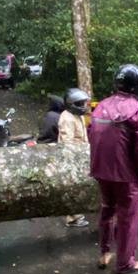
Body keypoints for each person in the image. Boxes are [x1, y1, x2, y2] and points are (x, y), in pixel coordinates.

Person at [90, 65, 138, 274]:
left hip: (101, 169)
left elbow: (92, 134)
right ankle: (125, 262)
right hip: (125, 174)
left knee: (107, 209)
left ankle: (104, 253)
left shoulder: (100, 106)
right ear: (136, 86)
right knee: (127, 215)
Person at [60, 88, 90, 228]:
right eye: (82, 103)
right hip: (72, 157)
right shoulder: (67, 118)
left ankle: (77, 214)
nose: (84, 106)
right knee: (73, 188)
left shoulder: (78, 116)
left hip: (81, 154)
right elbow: (68, 142)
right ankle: (73, 217)